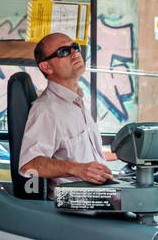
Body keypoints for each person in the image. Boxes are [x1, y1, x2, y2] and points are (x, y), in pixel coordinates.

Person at [18, 32, 115, 193]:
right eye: (64, 51)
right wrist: (77, 169)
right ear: (46, 67)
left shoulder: (77, 101)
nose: (75, 53)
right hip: (77, 208)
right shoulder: (47, 109)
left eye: (75, 47)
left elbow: (80, 153)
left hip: (100, 194)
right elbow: (30, 165)